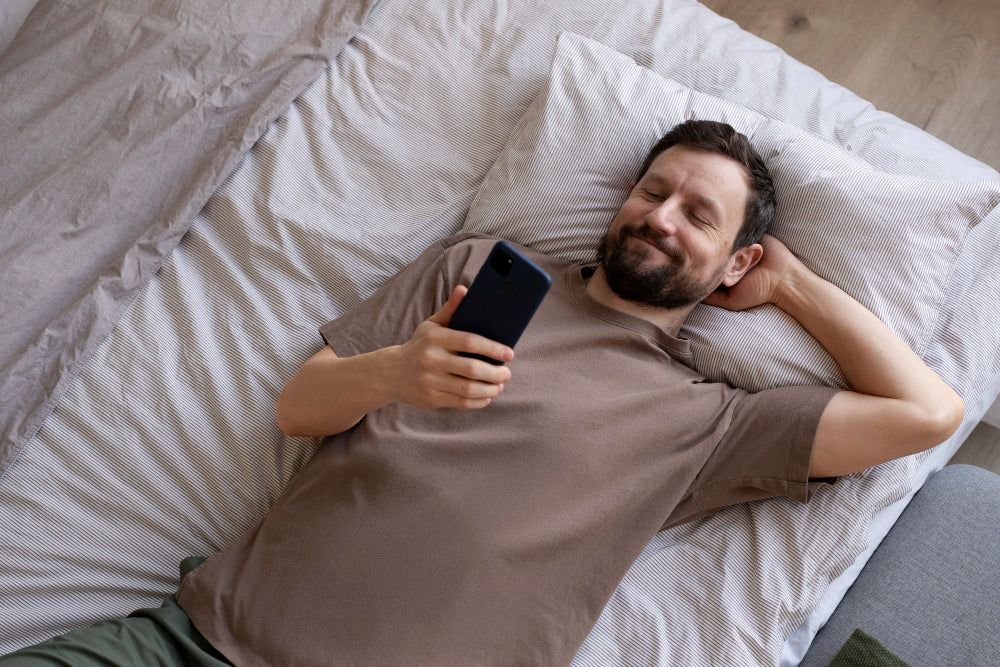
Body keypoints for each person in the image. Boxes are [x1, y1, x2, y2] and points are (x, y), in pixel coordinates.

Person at [2, 120, 964, 666]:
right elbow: (300, 409)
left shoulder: (709, 423)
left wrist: (792, 285)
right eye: (651, 189)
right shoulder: (480, 270)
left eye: (696, 213)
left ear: (733, 261)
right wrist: (397, 371)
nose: (659, 216)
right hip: (194, 644)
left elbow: (928, 415)